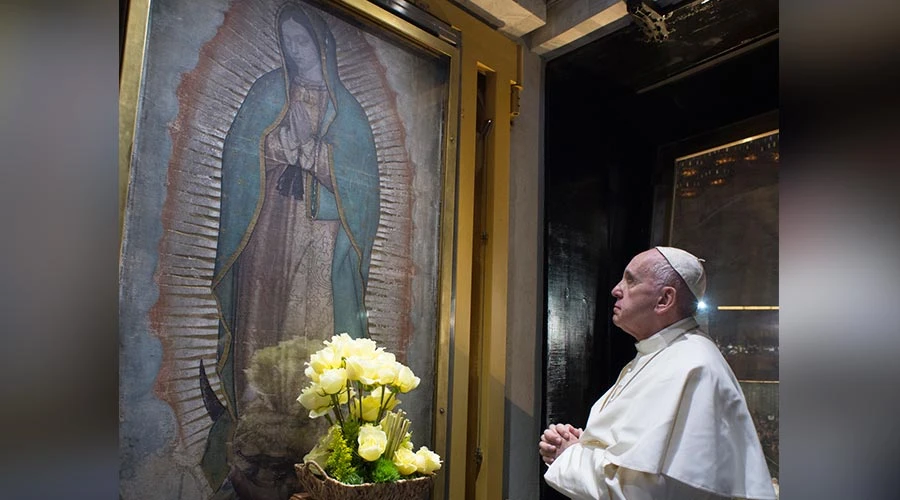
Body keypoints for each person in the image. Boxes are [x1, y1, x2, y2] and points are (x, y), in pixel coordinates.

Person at [203, 4, 381, 498]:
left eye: (303, 41)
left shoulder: (349, 114)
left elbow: (361, 194)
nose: (295, 50)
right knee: (265, 321)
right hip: (268, 237)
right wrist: (272, 152)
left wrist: (314, 158)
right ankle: (258, 433)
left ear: (323, 46)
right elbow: (243, 156)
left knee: (311, 324)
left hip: (321, 243)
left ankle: (312, 443)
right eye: (288, 41)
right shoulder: (266, 93)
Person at [539, 247, 776, 499]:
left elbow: (643, 489)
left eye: (631, 280)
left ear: (664, 300)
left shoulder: (691, 365)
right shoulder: (661, 355)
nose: (616, 290)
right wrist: (584, 443)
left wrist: (569, 456)